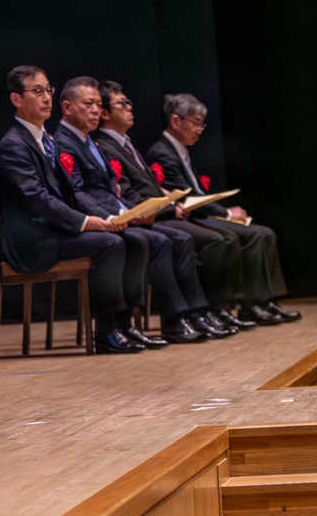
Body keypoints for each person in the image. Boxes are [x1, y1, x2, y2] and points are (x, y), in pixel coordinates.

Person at [53, 79, 212, 346]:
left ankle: (131, 324)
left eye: (98, 105)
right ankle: (128, 325)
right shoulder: (64, 142)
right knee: (148, 240)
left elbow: (111, 189)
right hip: (89, 221)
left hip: (112, 214)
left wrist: (127, 210)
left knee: (157, 240)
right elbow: (78, 194)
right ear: (67, 107)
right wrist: (116, 215)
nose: (94, 110)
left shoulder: (88, 141)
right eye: (88, 104)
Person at [0, 66, 142, 354]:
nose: (47, 97)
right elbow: (37, 199)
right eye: (37, 91)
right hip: (34, 240)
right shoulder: (14, 145)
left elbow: (67, 193)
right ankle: (107, 331)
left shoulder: (44, 137)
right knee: (110, 243)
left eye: (48, 90)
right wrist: (86, 221)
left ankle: (125, 325)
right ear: (16, 99)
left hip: (55, 229)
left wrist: (105, 216)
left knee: (131, 239)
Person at [94, 80, 240, 336]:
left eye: (129, 102)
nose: (130, 108)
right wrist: (170, 209)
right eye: (122, 104)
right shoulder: (106, 146)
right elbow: (128, 194)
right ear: (105, 113)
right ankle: (185, 315)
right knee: (186, 239)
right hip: (146, 217)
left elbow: (145, 187)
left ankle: (200, 312)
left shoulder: (125, 143)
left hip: (157, 214)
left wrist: (169, 200)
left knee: (209, 236)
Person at [146, 94, 300, 327]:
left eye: (202, 124)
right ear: (176, 121)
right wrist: (226, 214)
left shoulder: (180, 149)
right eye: (195, 123)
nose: (199, 129)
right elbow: (189, 196)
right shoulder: (162, 152)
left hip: (200, 212)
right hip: (191, 216)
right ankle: (241, 305)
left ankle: (265, 299)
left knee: (265, 233)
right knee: (244, 235)